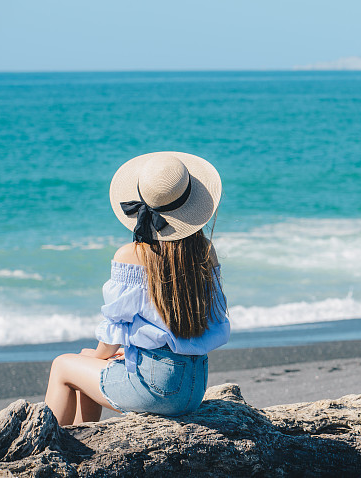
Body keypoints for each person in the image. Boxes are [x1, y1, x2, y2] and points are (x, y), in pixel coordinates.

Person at [45, 151, 230, 426]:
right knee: (86, 358)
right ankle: (85, 436)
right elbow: (209, 319)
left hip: (157, 387)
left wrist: (110, 355)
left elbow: (115, 329)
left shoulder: (130, 255)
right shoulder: (204, 251)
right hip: (194, 385)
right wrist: (130, 352)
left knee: (63, 365)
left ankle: (53, 452)